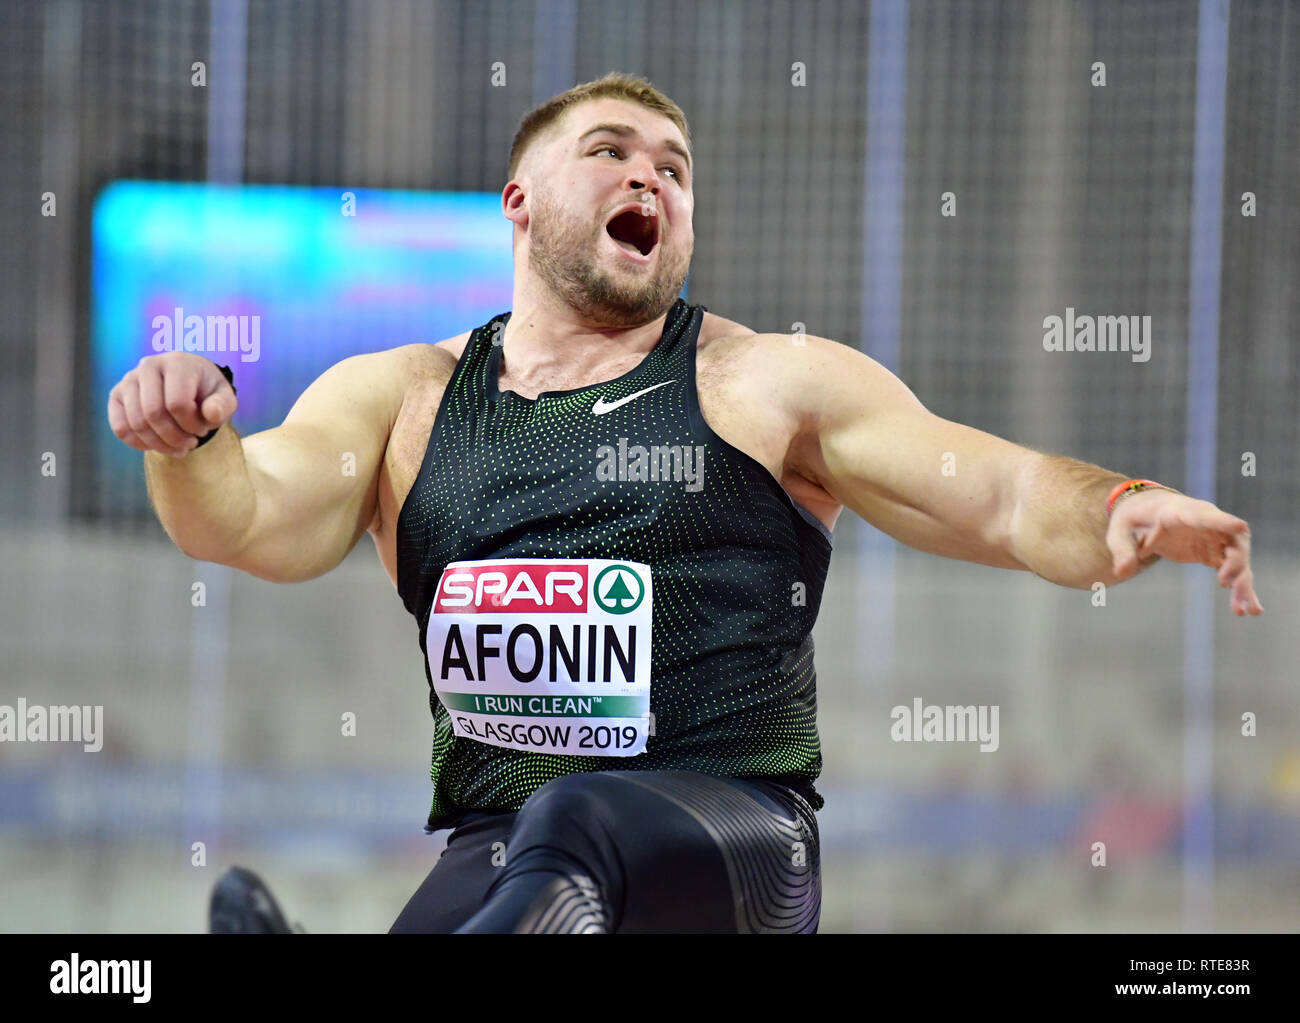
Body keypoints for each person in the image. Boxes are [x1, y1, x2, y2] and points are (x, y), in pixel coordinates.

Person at [107, 73, 1262, 934]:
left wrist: (1118, 507)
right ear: (518, 200)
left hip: (733, 852)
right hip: (497, 852)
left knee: (580, 821)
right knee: (525, 856)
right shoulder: (401, 401)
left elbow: (999, 494)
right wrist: (190, 440)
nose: (647, 175)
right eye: (608, 151)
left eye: (673, 165)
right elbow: (247, 515)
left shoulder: (765, 384)